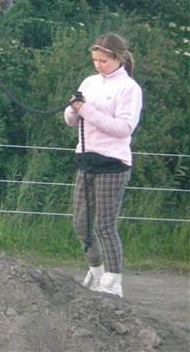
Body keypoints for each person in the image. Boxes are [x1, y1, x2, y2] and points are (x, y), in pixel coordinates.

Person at [64, 33, 143, 298]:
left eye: (103, 61)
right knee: (81, 224)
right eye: (95, 60)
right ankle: (96, 270)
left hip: (113, 163)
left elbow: (123, 128)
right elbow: (71, 120)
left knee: (105, 226)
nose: (98, 66)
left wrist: (86, 111)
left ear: (118, 59)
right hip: (87, 160)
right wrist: (74, 110)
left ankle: (113, 279)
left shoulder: (129, 89)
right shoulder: (89, 82)